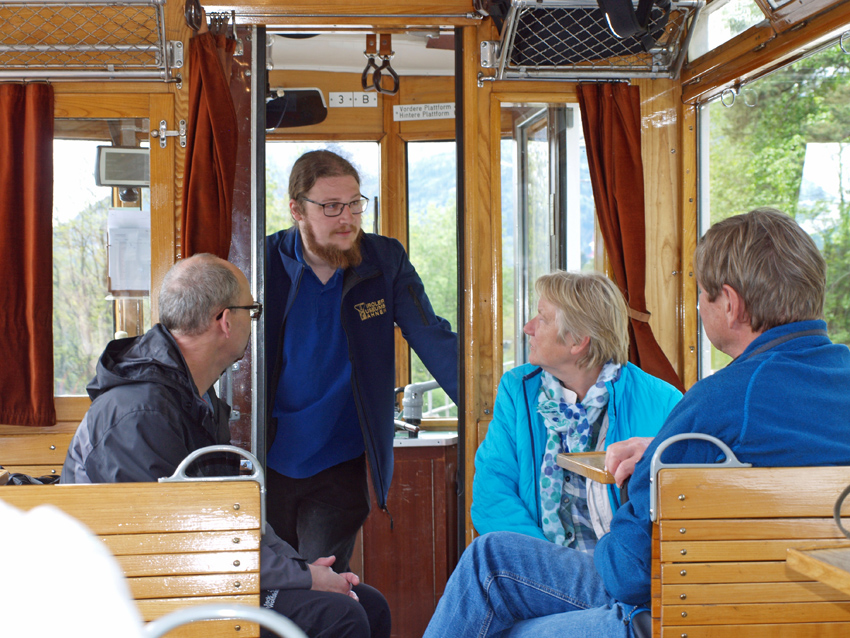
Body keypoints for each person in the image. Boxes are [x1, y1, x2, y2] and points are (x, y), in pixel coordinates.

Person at [422, 207, 850, 638]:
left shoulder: (718, 402)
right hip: (815, 612)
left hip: (690, 614)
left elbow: (628, 571)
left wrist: (649, 471)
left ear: (731, 304)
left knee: (489, 562)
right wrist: (664, 452)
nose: (699, 307)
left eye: (702, 295)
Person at [62, 253, 390, 638]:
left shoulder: (194, 399)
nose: (253, 324)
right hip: (152, 595)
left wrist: (302, 570)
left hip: (201, 572)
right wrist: (302, 578)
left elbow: (230, 516)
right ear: (225, 320)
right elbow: (172, 544)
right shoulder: (141, 414)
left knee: (366, 603)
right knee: (340, 616)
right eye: (252, 311)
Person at [265, 150, 459, 573]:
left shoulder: (383, 261)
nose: (348, 218)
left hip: (341, 459)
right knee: (271, 592)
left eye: (354, 203)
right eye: (331, 206)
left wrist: (497, 408)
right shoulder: (260, 264)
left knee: (326, 591)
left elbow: (432, 336)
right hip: (267, 458)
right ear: (296, 209)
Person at [471, 271, 681, 548]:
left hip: (624, 573)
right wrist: (546, 567)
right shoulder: (516, 390)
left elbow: (680, 508)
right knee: (481, 555)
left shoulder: (664, 401)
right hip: (538, 567)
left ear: (578, 340)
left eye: (542, 318)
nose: (528, 327)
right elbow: (492, 494)